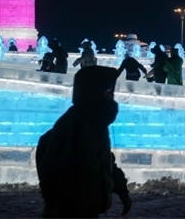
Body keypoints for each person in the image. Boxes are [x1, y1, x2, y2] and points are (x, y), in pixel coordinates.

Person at [36, 65, 132, 217]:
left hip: (87, 208)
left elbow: (105, 161)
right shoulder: (76, 126)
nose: (111, 98)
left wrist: (121, 190)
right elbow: (54, 169)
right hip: (72, 210)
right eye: (108, 93)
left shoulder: (94, 123)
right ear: (93, 94)